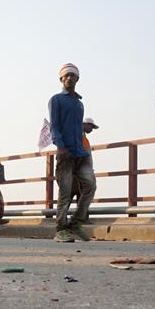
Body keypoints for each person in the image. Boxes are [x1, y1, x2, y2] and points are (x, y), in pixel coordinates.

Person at [49, 63, 95, 243]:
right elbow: (55, 126)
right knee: (65, 192)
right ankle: (61, 229)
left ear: (77, 79)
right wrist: (60, 146)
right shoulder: (56, 100)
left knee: (90, 185)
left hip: (80, 154)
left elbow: (78, 129)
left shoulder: (79, 104)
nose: (69, 78)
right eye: (66, 76)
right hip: (65, 153)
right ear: (61, 79)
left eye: (73, 76)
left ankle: (76, 222)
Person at [71, 118, 99, 207]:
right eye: (91, 126)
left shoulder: (84, 138)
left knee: (81, 195)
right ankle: (78, 218)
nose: (92, 129)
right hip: (79, 172)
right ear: (85, 124)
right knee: (72, 195)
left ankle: (80, 218)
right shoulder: (78, 137)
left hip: (81, 172)